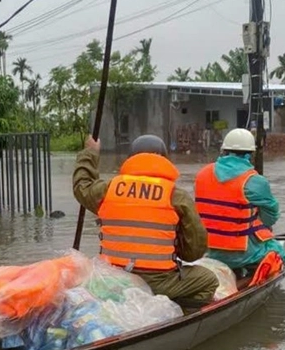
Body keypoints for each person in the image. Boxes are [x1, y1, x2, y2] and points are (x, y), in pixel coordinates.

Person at [73, 133, 218, 311]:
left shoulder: (108, 189)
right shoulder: (176, 195)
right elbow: (194, 250)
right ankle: (178, 315)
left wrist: (90, 152)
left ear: (131, 158)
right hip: (158, 283)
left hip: (113, 279)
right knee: (209, 280)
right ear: (164, 158)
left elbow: (82, 185)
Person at [195, 128, 281, 279]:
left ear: (224, 151)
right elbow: (270, 217)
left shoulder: (202, 174)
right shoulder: (255, 181)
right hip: (240, 254)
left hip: (206, 249)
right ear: (249, 155)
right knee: (280, 254)